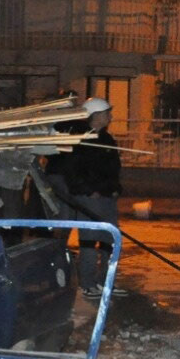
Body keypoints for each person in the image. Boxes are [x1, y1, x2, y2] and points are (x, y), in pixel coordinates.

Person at [62, 96, 125, 301]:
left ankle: (106, 280)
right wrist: (89, 191)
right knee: (89, 241)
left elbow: (114, 169)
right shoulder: (80, 141)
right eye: (107, 113)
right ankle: (87, 283)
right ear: (96, 115)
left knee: (110, 241)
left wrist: (115, 189)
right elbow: (72, 173)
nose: (110, 117)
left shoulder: (107, 140)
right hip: (89, 198)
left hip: (107, 197)